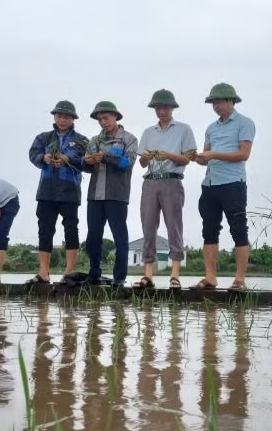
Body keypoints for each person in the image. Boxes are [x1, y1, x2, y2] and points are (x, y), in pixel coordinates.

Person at [191, 83, 255, 292]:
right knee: (209, 230)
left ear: (231, 101)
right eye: (213, 103)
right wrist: (197, 157)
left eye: (219, 102)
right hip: (210, 184)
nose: (216, 106)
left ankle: (239, 279)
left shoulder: (244, 123)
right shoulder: (211, 128)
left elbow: (243, 154)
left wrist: (213, 155)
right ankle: (210, 277)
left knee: (238, 229)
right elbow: (205, 157)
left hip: (233, 183)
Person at [134, 89, 197, 291]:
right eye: (158, 107)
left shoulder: (184, 129)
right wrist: (149, 156)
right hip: (150, 181)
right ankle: (148, 275)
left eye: (165, 107)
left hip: (172, 181)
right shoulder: (147, 132)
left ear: (172, 108)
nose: (162, 111)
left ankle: (175, 275)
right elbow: (142, 163)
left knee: (174, 227)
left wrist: (168, 155)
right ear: (155, 109)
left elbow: (187, 158)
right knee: (148, 226)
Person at [27, 100, 89, 283]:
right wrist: (44, 157)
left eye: (67, 116)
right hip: (47, 190)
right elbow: (33, 155)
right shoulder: (43, 138)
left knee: (71, 229)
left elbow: (87, 164)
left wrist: (67, 159)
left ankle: (69, 271)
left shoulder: (81, 140)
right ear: (54, 117)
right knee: (44, 231)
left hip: (70, 190)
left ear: (73, 119)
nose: (62, 119)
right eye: (59, 115)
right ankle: (44, 273)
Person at [83, 101, 138, 286]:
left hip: (117, 196)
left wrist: (106, 157)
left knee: (119, 236)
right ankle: (94, 274)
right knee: (93, 237)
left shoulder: (129, 139)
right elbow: (87, 168)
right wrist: (88, 161)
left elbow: (128, 163)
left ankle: (119, 278)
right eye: (99, 120)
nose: (103, 122)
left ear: (116, 116)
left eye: (106, 118)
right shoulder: (94, 141)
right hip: (95, 196)